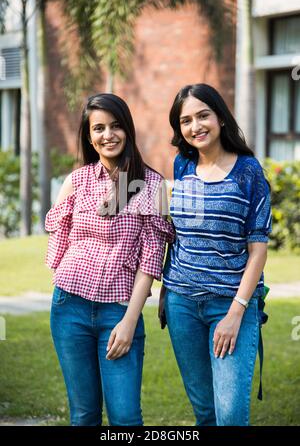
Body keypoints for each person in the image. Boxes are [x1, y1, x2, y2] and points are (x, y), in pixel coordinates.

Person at [45, 93, 174, 426]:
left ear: (127, 130)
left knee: (125, 418)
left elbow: (151, 257)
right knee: (84, 414)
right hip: (69, 308)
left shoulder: (152, 184)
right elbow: (58, 245)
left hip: (119, 310)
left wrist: (130, 321)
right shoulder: (76, 181)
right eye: (98, 128)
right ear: (89, 136)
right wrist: (62, 285)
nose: (108, 135)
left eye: (116, 126)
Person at [161, 83, 272, 426]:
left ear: (220, 117)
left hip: (231, 304)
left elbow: (258, 250)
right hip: (182, 304)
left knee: (230, 416)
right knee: (205, 413)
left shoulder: (249, 171)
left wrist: (237, 312)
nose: (196, 126)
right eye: (186, 120)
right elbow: (176, 232)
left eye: (203, 115)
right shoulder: (183, 166)